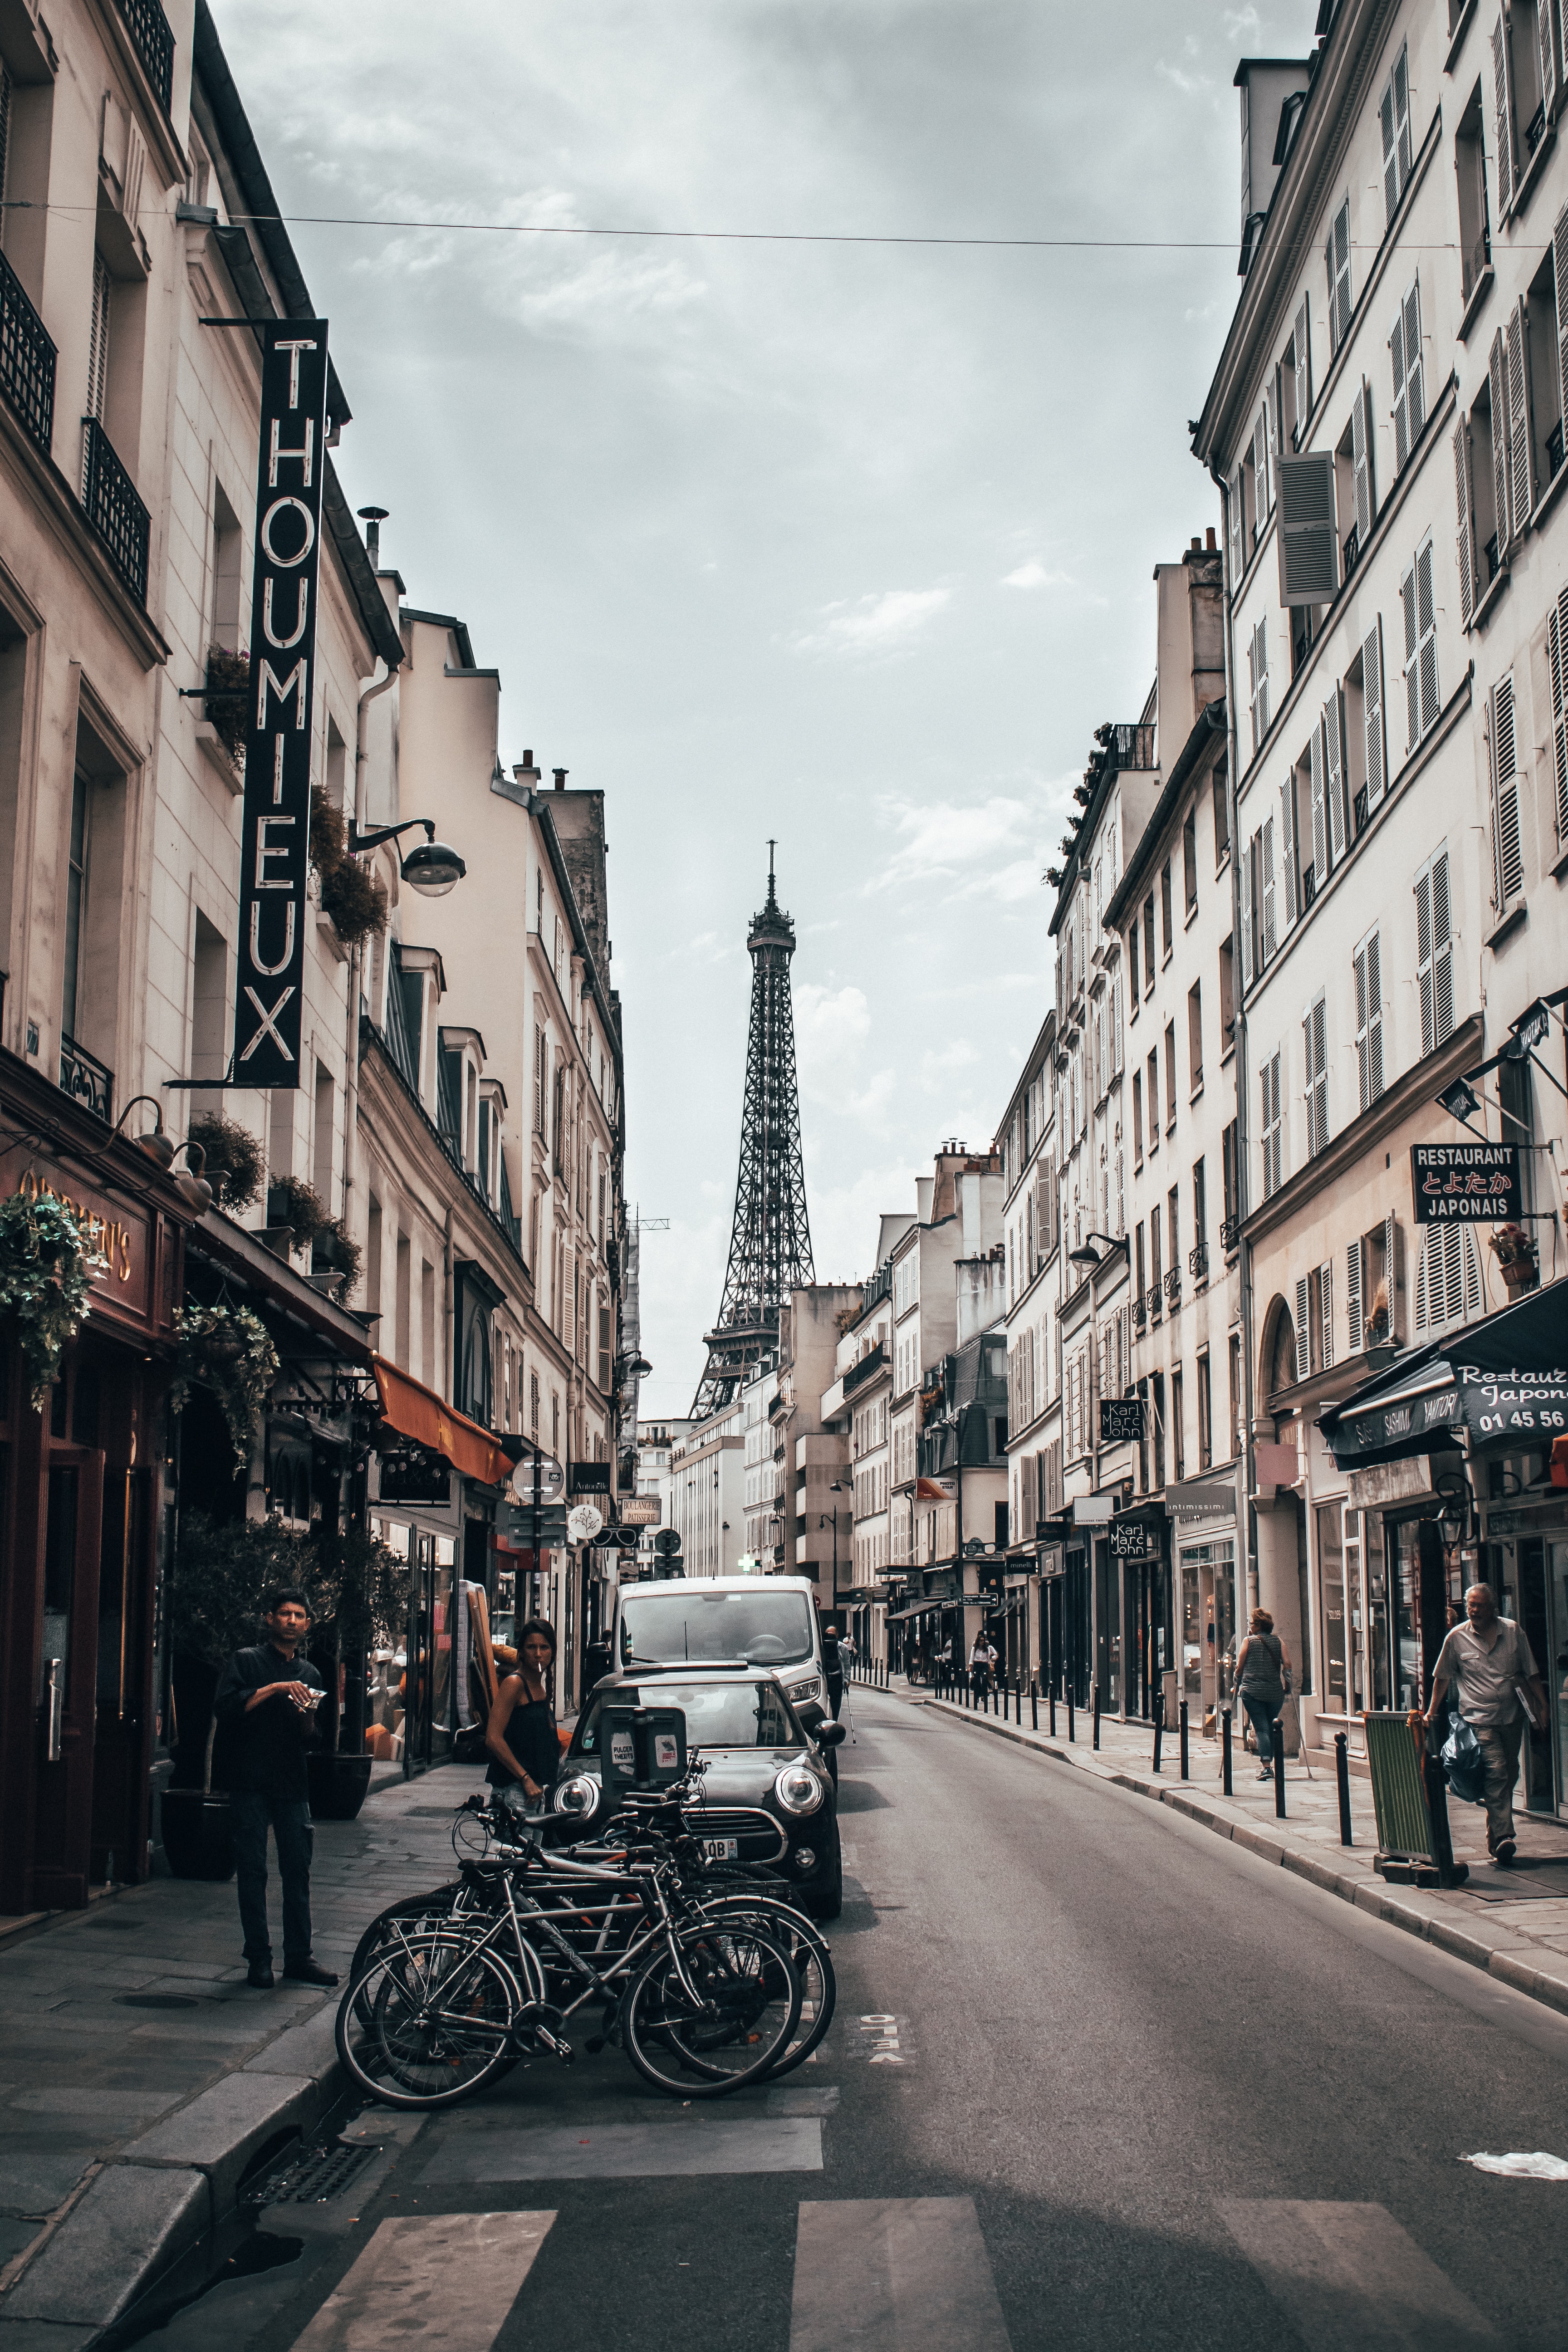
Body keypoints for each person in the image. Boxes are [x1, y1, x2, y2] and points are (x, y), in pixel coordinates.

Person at [213, 1586, 338, 1991]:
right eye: (284, 1614)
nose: (291, 1621)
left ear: (306, 1624)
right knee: (252, 1871)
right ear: (270, 1619)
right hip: (249, 1780)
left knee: (297, 1871)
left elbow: (312, 1738)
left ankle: (299, 1957)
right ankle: (259, 1958)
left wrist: (306, 1717)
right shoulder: (246, 1661)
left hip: (291, 1783)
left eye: (299, 1616)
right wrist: (276, 1689)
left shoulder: (312, 1674)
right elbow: (228, 1709)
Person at [1423, 1583, 1547, 1865]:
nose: (1474, 1610)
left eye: (1480, 1605)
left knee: (1510, 1773)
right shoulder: (1456, 1638)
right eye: (1471, 1605)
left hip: (1512, 1717)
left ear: (1493, 1607)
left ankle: (1496, 1840)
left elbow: (1531, 1672)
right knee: (1498, 1771)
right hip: (1478, 1719)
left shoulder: (1513, 1632)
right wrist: (1431, 1711)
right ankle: (1505, 1835)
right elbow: (1442, 1676)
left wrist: (1543, 1705)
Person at [484, 1618, 563, 1813]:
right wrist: (525, 1778)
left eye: (544, 1647)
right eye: (531, 1647)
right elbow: (493, 1738)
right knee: (513, 1846)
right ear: (521, 1652)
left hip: (535, 1791)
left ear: (552, 1652)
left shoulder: (539, 1688)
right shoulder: (515, 1684)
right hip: (515, 1791)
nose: (538, 1654)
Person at [1233, 1607, 1290, 1781]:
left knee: (1262, 1729)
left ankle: (1267, 1767)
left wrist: (1236, 1682)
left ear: (1258, 1625)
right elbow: (1287, 1665)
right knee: (1271, 1727)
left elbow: (1240, 1667)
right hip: (1274, 1693)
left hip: (1253, 1693)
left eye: (1252, 1623)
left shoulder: (1248, 1641)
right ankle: (1270, 1762)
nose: (1250, 1626)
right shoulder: (1278, 1641)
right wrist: (1287, 1685)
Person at [821, 1622, 845, 1718]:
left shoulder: (842, 1647)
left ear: (837, 1635)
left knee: (836, 1703)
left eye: (832, 1635)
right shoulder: (822, 1646)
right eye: (828, 1634)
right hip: (826, 1677)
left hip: (837, 1678)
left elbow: (847, 1664)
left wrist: (847, 1680)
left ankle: (835, 1720)